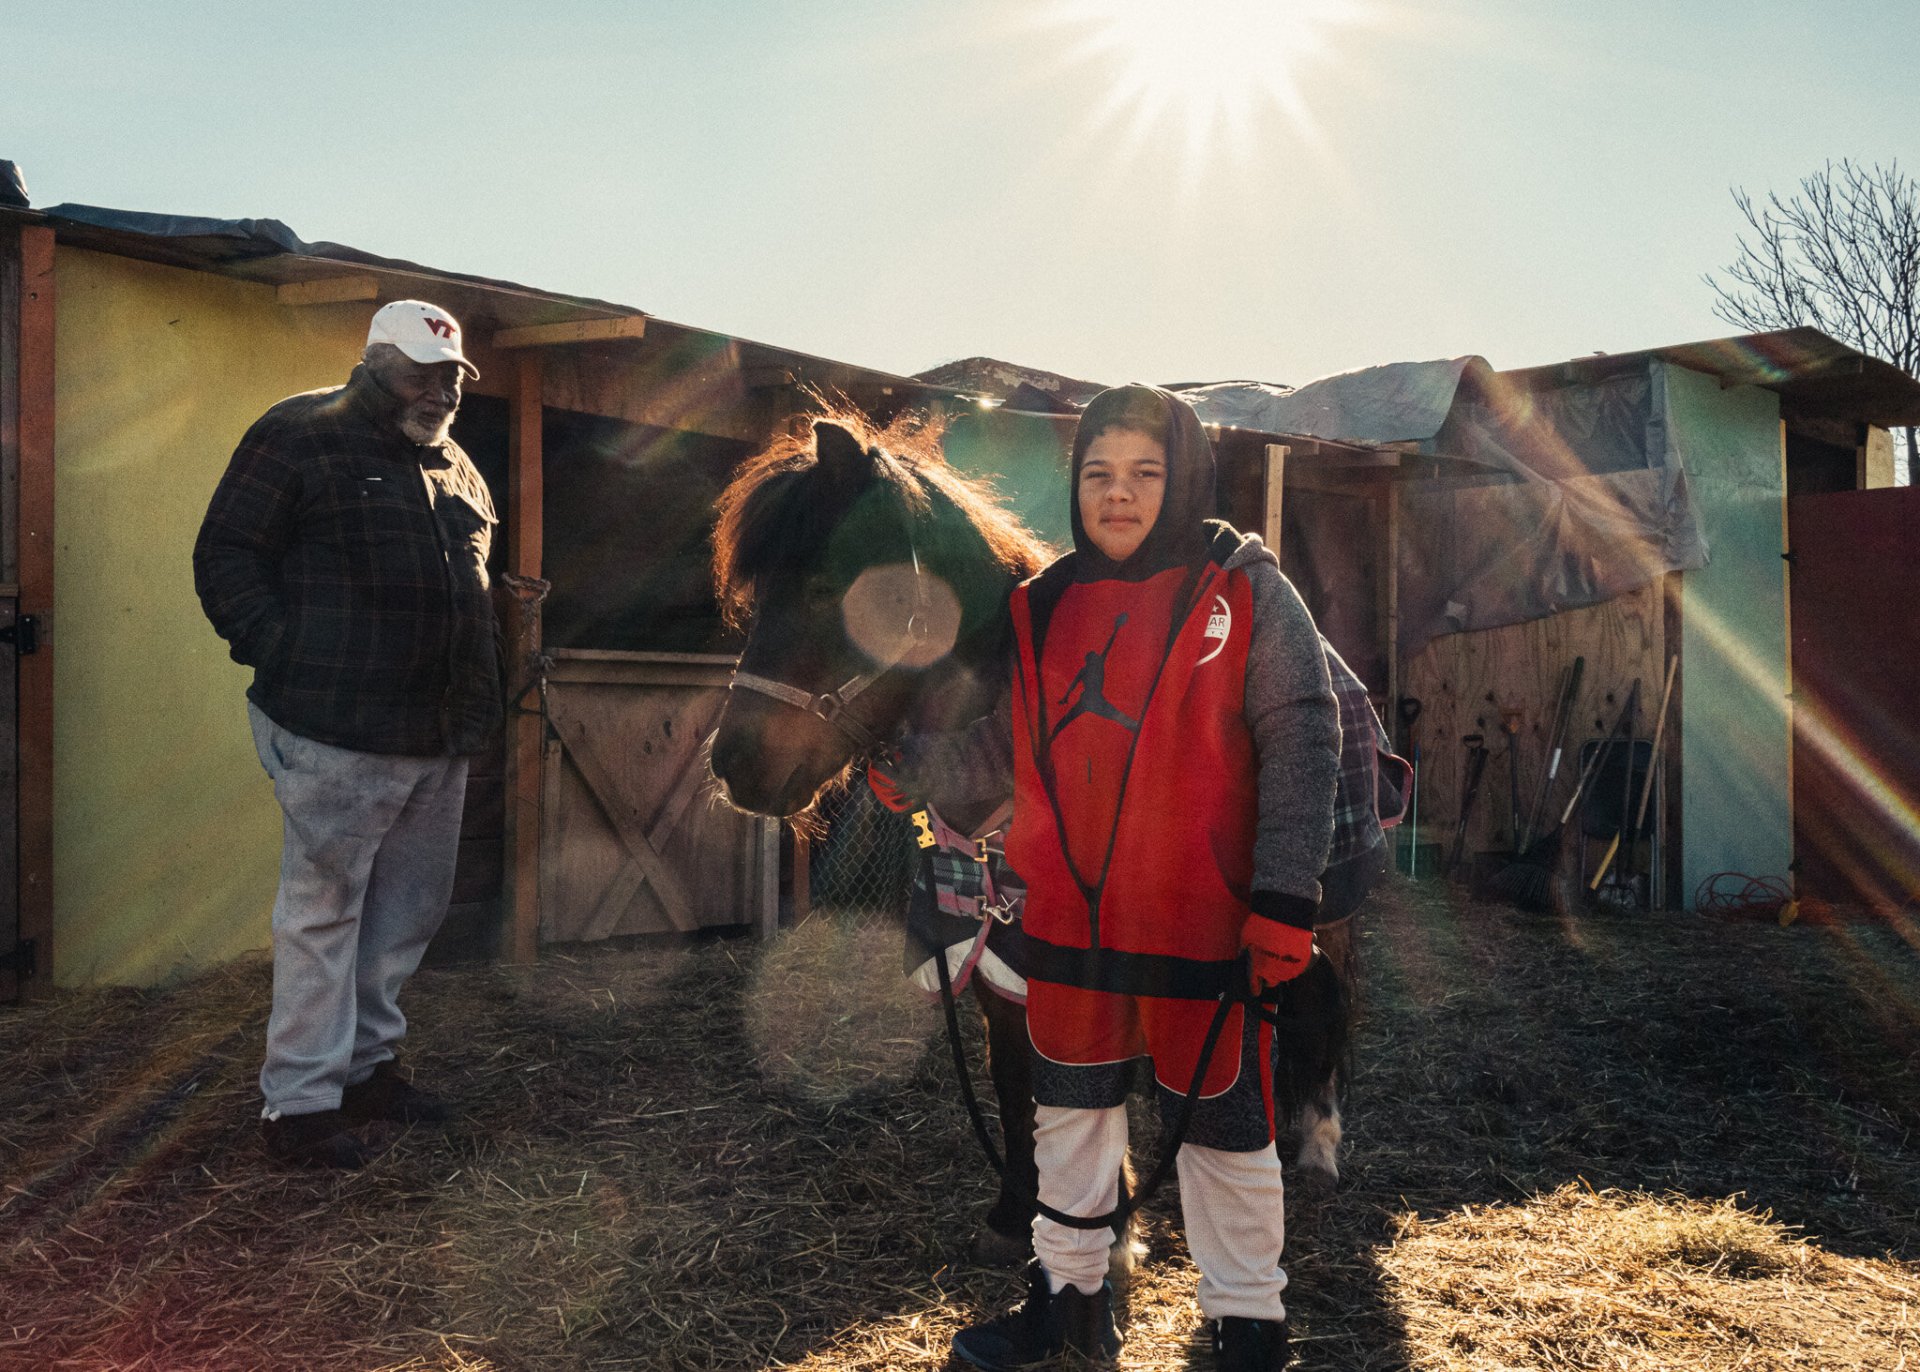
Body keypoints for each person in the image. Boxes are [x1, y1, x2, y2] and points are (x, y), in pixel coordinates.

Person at [951, 385, 1339, 1372]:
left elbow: (1304, 733)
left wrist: (1286, 900)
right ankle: (1068, 1301)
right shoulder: (1040, 607)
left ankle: (1246, 1323)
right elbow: (1008, 746)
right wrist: (917, 775)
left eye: (1143, 474)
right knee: (1069, 1120)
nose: (1118, 495)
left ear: (1183, 479)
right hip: (1074, 928)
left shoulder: (1244, 587)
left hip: (1202, 923)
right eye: (1098, 475)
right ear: (1074, 485)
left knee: (1221, 1131)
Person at [193, 300, 502, 1169]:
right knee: (324, 916)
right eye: (419, 369)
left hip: (440, 733)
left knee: (405, 915)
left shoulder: (461, 469)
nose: (437, 388)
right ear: (372, 361)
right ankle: (297, 1107)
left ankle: (366, 1070)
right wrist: (283, 652)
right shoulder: (298, 433)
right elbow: (225, 555)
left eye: (450, 375)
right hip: (336, 727)